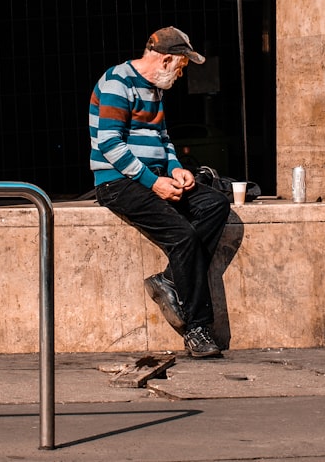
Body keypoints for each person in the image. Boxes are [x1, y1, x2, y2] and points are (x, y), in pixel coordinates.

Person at [89, 26, 230, 358]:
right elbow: (109, 143)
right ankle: (197, 328)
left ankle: (168, 280)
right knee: (183, 237)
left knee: (216, 205)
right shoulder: (117, 82)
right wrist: (153, 183)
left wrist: (175, 168)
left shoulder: (155, 88)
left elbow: (162, 140)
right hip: (118, 182)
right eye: (181, 66)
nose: (181, 74)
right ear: (167, 59)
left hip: (152, 177)